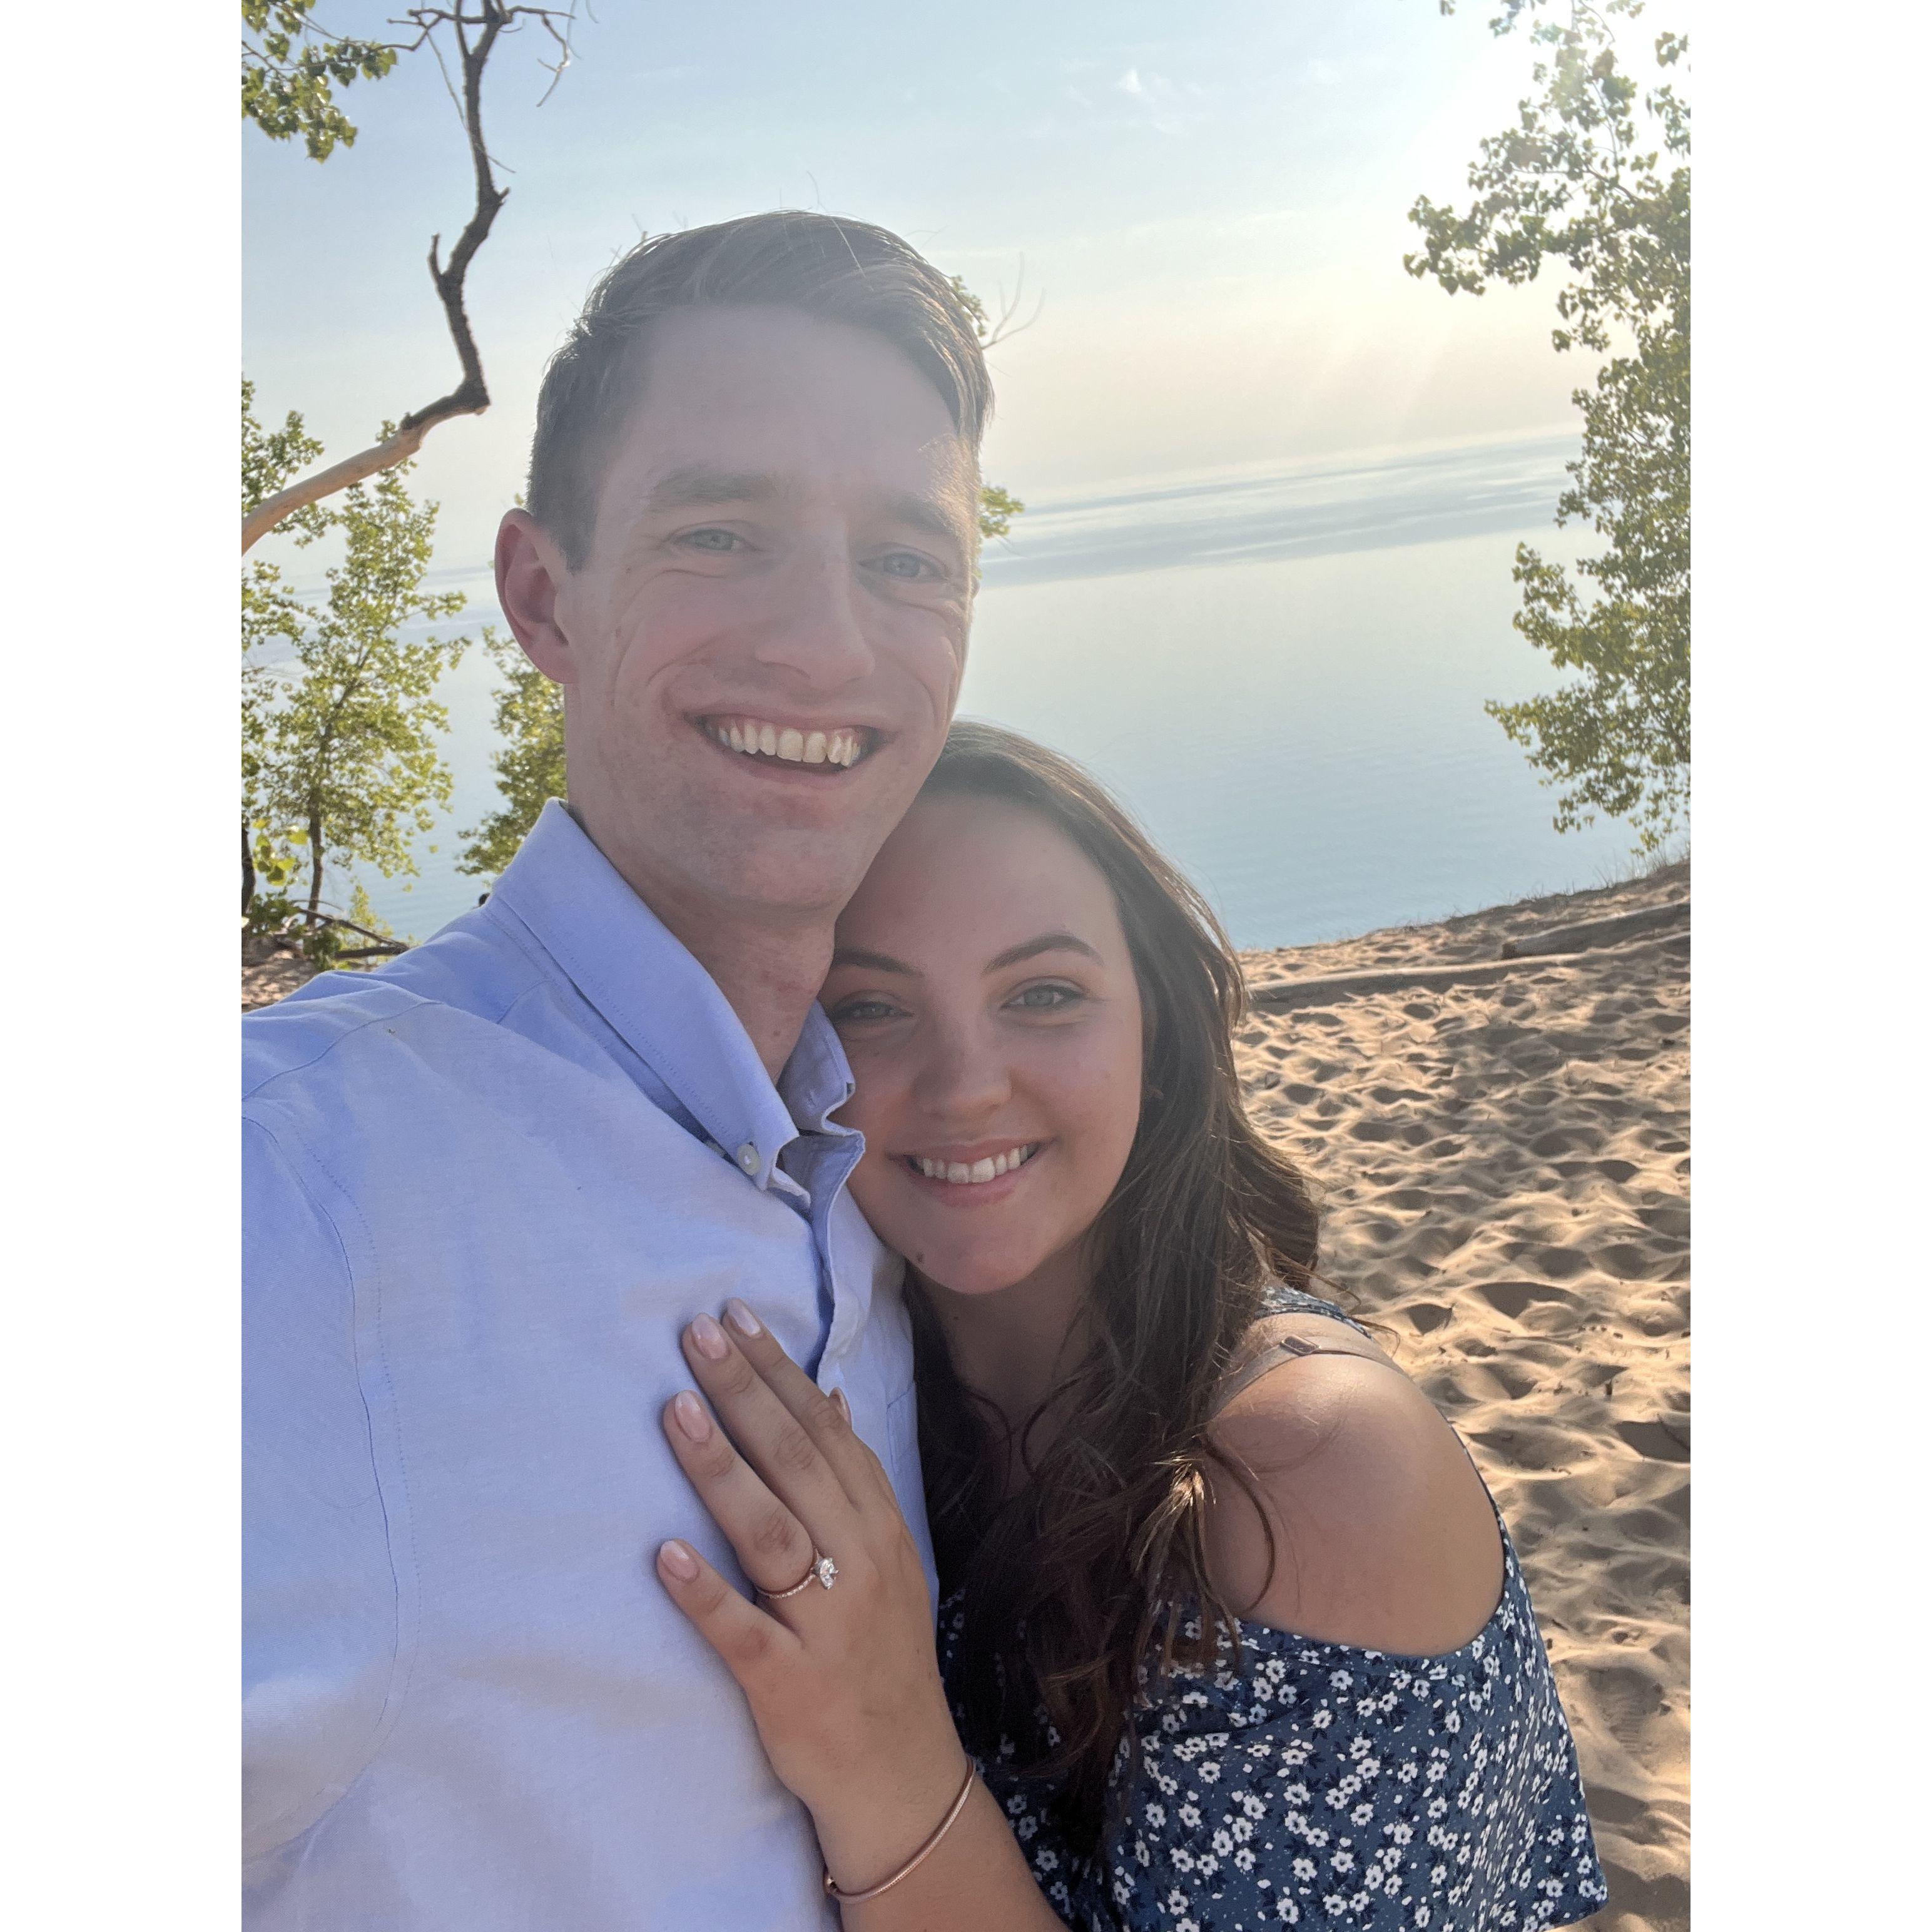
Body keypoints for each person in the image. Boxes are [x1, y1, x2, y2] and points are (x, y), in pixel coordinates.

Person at [242, 212, 991, 1928]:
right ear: (538, 595)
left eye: (909, 559)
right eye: (720, 533)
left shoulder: (891, 1170)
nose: (827, 644)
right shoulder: (289, 1193)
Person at [653, 722, 1610, 1930]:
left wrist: (883, 1765)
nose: (966, 1085)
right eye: (873, 1007)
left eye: (1044, 994)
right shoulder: (885, 1386)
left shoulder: (1305, 1476)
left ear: (1156, 1033)